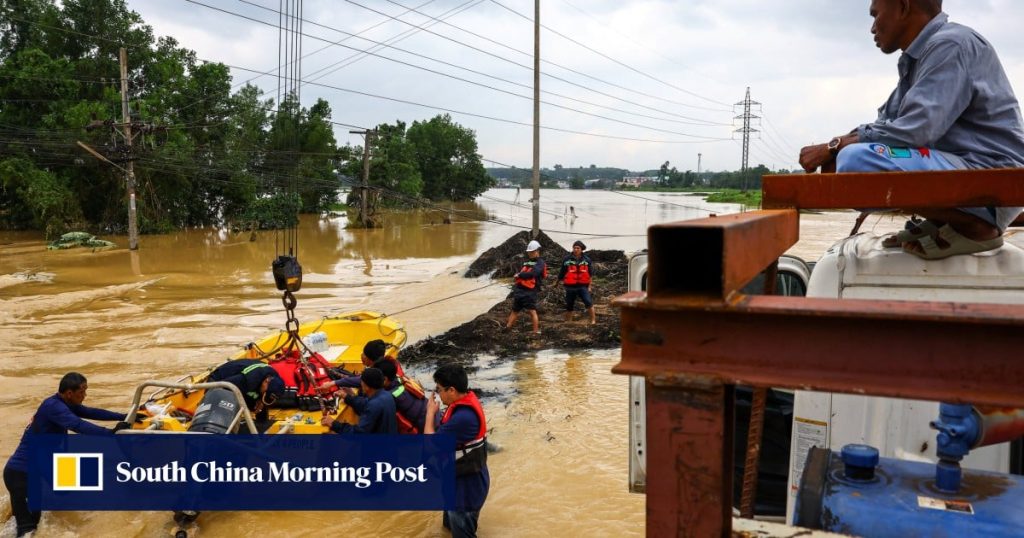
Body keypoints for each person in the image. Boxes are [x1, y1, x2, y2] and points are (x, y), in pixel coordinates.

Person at [798, 0, 1024, 260]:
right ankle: (946, 223)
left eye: (876, 15)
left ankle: (976, 228)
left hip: (995, 178)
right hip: (972, 172)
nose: (872, 28)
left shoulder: (950, 45)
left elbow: (916, 130)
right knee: (849, 157)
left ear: (903, 8)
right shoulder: (921, 56)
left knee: (855, 160)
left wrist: (836, 146)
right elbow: (887, 123)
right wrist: (837, 149)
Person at [4, 372, 128, 537]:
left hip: (40, 468)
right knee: (28, 529)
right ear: (69, 393)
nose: (85, 395)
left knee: (65, 492)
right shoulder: (53, 407)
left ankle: (13, 515)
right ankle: (18, 518)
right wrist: (110, 433)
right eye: (81, 392)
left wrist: (124, 416)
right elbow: (77, 425)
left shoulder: (65, 404)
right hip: (22, 475)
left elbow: (91, 412)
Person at [424, 364, 489, 538]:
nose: (437, 394)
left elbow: (430, 445)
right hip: (459, 481)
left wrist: (430, 413)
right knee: (448, 528)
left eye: (439, 390)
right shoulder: (463, 404)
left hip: (466, 491)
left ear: (451, 390)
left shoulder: (463, 418)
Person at [321, 367, 397, 434]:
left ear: (367, 387)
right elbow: (365, 404)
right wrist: (347, 397)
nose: (360, 384)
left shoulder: (373, 405)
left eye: (362, 382)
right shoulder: (387, 395)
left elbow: (358, 433)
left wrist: (334, 424)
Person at [320, 339, 405, 391]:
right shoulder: (390, 363)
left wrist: (333, 383)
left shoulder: (377, 372)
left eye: (364, 353)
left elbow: (359, 381)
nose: (361, 355)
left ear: (369, 358)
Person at [207, 358, 285, 412]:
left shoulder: (273, 376)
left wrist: (260, 401)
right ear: (266, 381)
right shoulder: (249, 379)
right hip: (219, 380)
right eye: (265, 393)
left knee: (256, 405)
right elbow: (225, 385)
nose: (263, 395)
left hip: (245, 386)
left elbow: (263, 397)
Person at [505, 239, 546, 335]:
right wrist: (518, 275)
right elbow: (523, 273)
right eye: (529, 252)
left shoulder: (540, 263)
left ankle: (535, 332)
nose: (530, 254)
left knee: (532, 311)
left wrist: (520, 275)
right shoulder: (528, 262)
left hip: (530, 291)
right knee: (515, 310)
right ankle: (507, 327)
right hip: (520, 290)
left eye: (532, 252)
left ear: (537, 251)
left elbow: (534, 273)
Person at [558, 240, 596, 325]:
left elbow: (590, 274)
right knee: (569, 304)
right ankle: (568, 320)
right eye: (574, 247)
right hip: (570, 286)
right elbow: (562, 272)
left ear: (581, 249)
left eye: (577, 248)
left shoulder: (587, 260)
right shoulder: (566, 259)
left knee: (588, 302)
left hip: (582, 286)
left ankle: (593, 320)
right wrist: (556, 283)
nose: (575, 249)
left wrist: (589, 286)